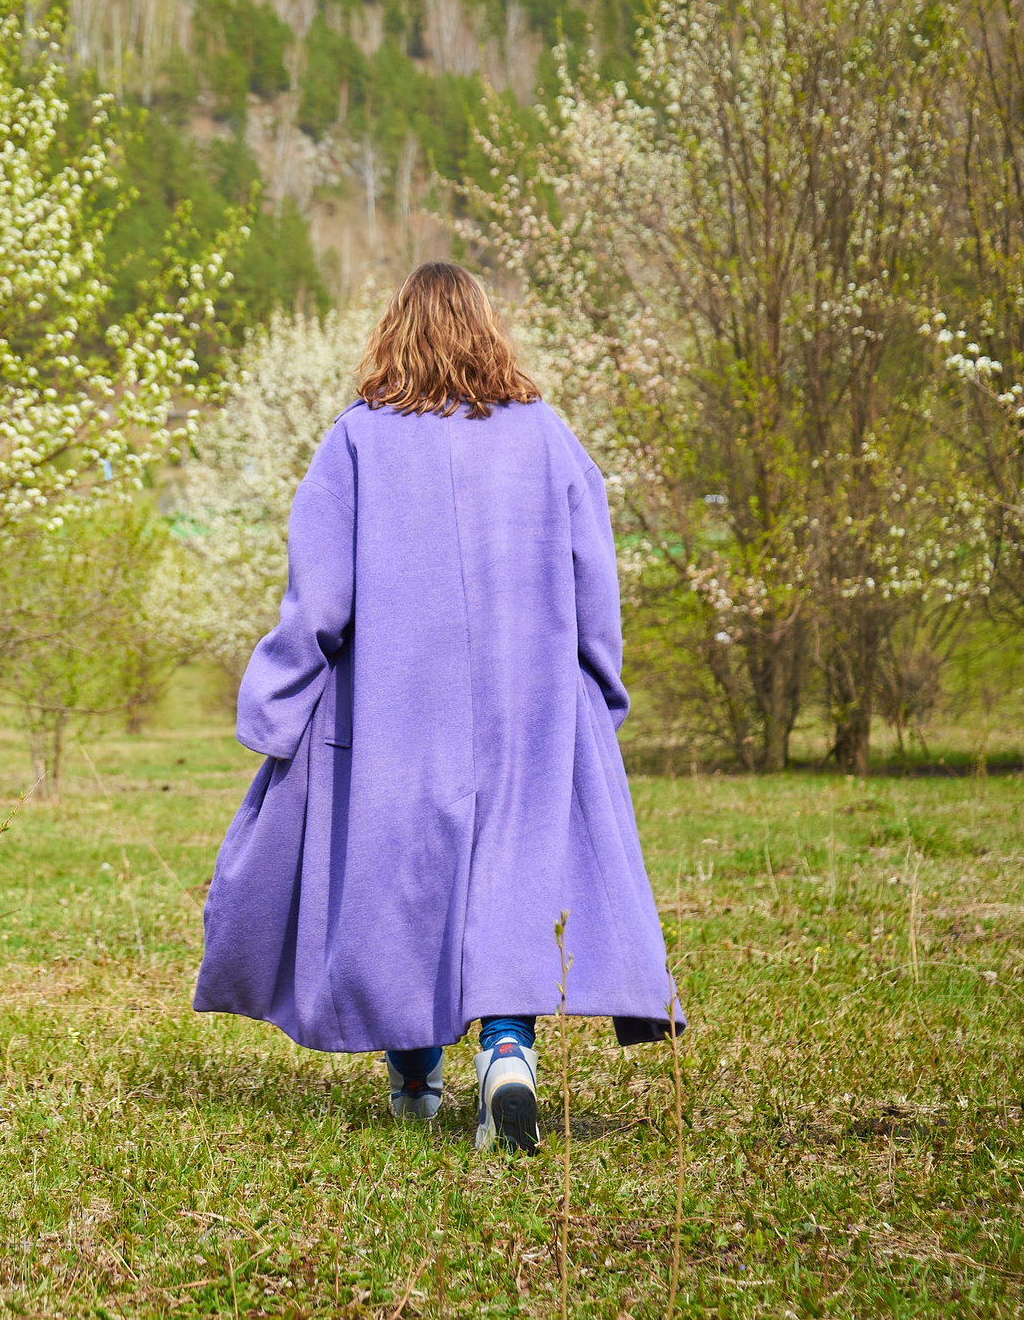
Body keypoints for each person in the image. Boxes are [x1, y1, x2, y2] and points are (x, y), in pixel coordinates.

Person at [192, 263, 679, 1153]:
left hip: (392, 714)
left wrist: (274, 704)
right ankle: (507, 1052)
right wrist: (597, 690)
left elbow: (319, 601)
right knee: (509, 879)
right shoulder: (546, 436)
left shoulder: (355, 442)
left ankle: (416, 1077)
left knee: (404, 890)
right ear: (489, 331)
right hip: (528, 708)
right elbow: (592, 576)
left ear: (394, 334)